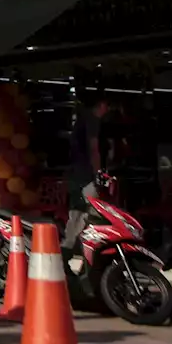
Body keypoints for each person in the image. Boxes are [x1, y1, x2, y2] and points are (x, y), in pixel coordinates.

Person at [62, 92, 110, 250]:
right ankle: (90, 248)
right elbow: (93, 148)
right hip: (86, 173)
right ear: (101, 105)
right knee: (94, 211)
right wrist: (98, 173)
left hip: (75, 171)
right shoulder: (92, 121)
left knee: (76, 210)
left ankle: (68, 247)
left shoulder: (81, 120)